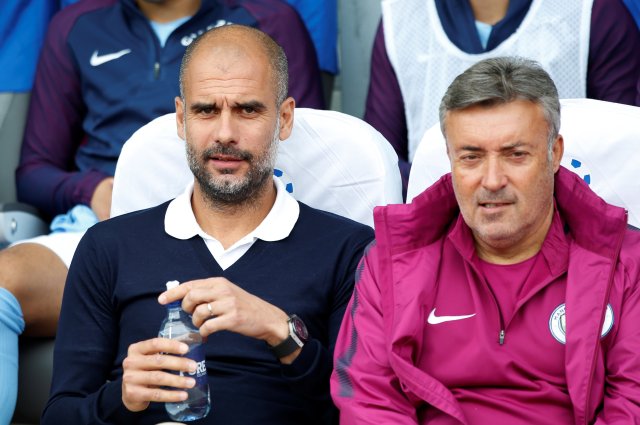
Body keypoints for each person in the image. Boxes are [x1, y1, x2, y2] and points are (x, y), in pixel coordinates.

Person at [0, 0, 323, 419]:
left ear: (282, 117)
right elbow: (34, 168)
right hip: (104, 220)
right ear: (181, 117)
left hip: (258, 215)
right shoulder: (75, 24)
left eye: (246, 108)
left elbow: (319, 145)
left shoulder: (270, 18)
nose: (225, 129)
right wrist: (92, 188)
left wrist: (285, 333)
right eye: (205, 109)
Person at [331, 57, 640, 423]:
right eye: (472, 157)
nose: (492, 180)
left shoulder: (626, 260)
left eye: (515, 155)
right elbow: (369, 399)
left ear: (553, 154)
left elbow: (632, 403)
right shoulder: (393, 260)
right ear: (450, 159)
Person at [365, 0, 640, 193]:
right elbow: (383, 159)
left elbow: (620, 151)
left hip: (563, 225)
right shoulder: (400, 18)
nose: (493, 182)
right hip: (441, 225)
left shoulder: (592, 11)